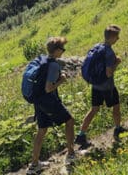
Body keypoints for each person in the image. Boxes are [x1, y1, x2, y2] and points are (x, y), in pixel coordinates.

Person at [27, 37, 77, 174]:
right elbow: (49, 88)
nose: (64, 51)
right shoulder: (54, 65)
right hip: (48, 101)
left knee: (42, 130)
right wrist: (62, 80)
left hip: (38, 100)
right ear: (57, 50)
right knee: (70, 121)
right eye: (62, 49)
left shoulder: (43, 60)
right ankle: (71, 154)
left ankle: (34, 165)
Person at [75, 25, 128, 148]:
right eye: (117, 36)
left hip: (96, 85)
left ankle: (81, 135)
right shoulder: (109, 52)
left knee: (94, 109)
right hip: (107, 86)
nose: (118, 39)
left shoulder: (97, 46)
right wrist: (117, 63)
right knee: (116, 106)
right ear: (112, 37)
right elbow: (109, 73)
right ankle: (118, 128)